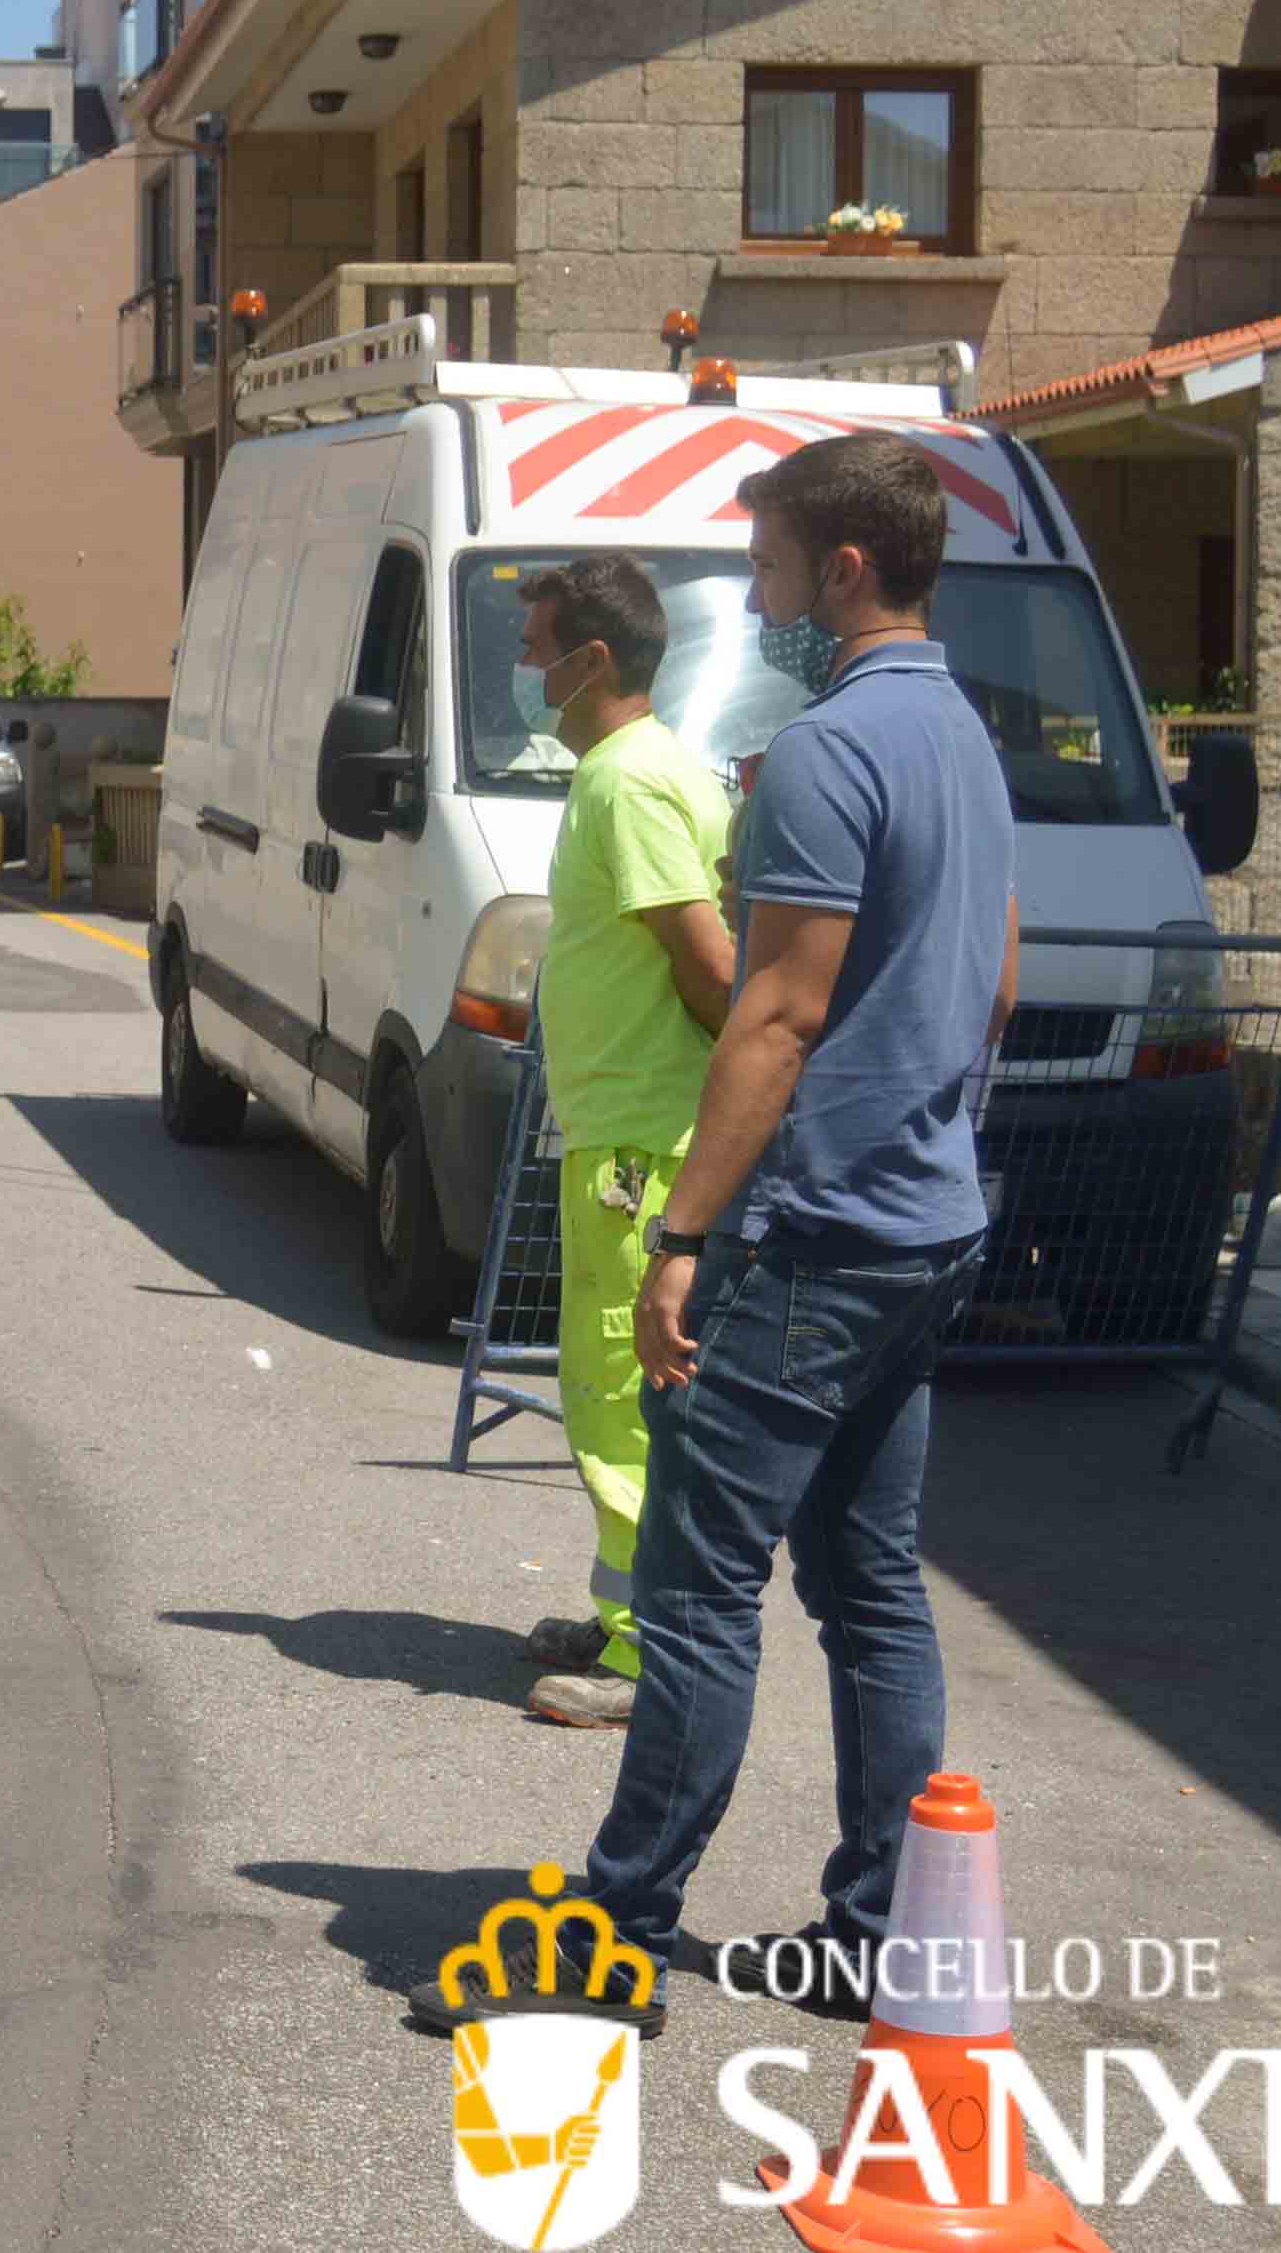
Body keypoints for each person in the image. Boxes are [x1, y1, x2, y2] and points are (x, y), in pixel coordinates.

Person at [583, 434, 1017, 2002]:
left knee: (698, 1593)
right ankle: (880, 1932)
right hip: (926, 1225)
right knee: (872, 1586)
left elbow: (772, 1011)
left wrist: (684, 1233)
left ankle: (612, 1939)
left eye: (766, 566)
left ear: (844, 569)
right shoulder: (964, 733)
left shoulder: (832, 748)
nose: (757, 597)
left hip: (815, 1236)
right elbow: (997, 976)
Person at [509, 556, 735, 1733]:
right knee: (613, 1389)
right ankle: (623, 1617)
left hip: (639, 1146)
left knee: (617, 1393)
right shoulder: (639, 772)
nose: (523, 667)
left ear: (592, 659)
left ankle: (645, 1656)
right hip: (628, 1133)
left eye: (535, 642)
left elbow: (706, 967)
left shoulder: (623, 785)